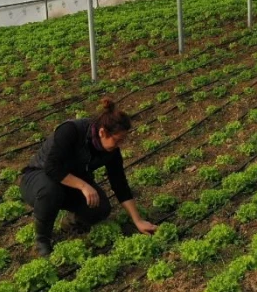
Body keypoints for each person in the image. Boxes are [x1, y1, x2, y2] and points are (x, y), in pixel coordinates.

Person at [20, 97, 157, 257]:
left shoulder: (111, 151)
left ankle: (72, 221)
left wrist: (138, 221)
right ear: (102, 132)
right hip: (38, 178)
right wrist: (84, 186)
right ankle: (42, 241)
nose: (120, 145)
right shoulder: (71, 131)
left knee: (100, 208)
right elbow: (52, 168)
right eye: (117, 140)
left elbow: (119, 184)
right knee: (51, 190)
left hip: (69, 182)